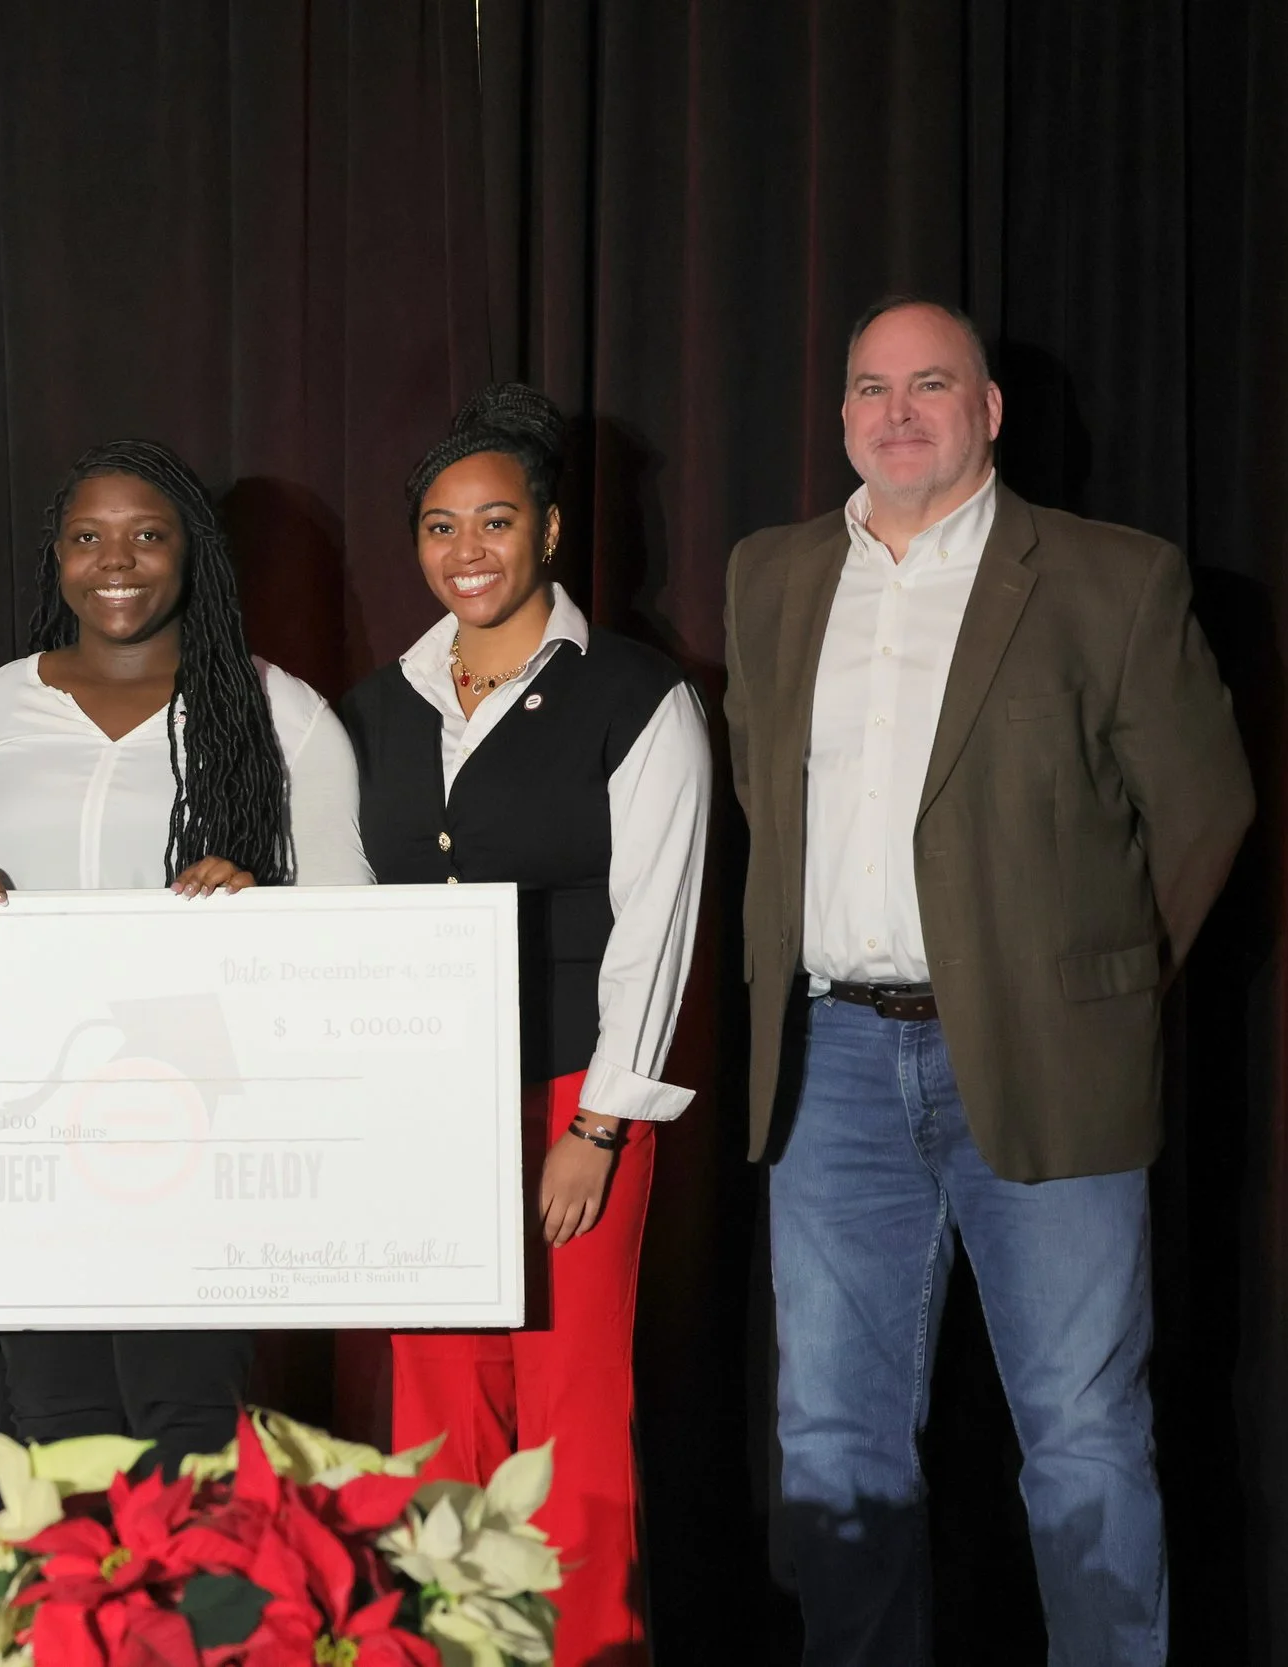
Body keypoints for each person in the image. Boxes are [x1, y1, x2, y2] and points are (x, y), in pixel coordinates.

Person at [723, 296, 1254, 1666]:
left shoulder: (1108, 576)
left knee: (1083, 1434)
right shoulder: (771, 576)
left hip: (1044, 1060)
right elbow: (758, 802)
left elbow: (1202, 811)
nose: (897, 412)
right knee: (832, 1437)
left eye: (931, 384)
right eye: (870, 387)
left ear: (990, 410)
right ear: (841, 413)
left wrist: (1091, 988)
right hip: (829, 1061)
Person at [0, 438, 369, 1476]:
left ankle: (193, 1638)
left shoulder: (279, 713)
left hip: (195, 1124)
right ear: (57, 558)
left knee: (188, 1415)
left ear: (190, 551)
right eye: (87, 536)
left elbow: (352, 938)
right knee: (56, 1421)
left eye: (147, 534)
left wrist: (263, 904)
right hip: (28, 1119)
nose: (116, 559)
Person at [338, 385, 709, 1667]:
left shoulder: (636, 696)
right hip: (421, 1108)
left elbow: (655, 929)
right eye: (441, 527)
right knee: (437, 1415)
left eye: (495, 520)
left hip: (571, 1096)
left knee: (570, 1416)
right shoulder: (371, 707)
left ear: (548, 531)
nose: (468, 551)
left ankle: (589, 1647)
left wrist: (598, 1125)